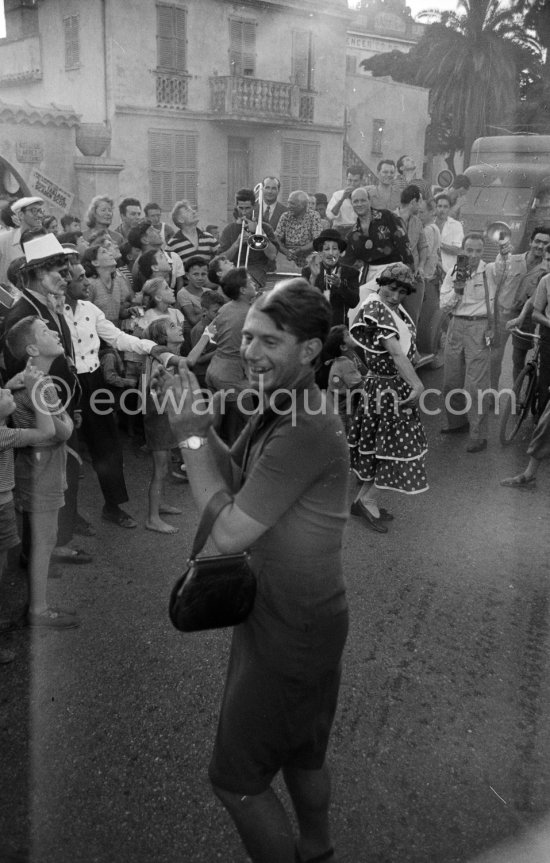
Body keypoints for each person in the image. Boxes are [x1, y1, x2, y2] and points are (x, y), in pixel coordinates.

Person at [152, 278, 349, 863]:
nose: (251, 354)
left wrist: (188, 436)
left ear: (310, 350)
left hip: (287, 623)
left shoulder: (304, 424)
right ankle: (317, 850)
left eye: (269, 341)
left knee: (236, 780)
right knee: (301, 753)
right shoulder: (282, 404)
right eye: (247, 339)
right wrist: (200, 424)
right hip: (302, 614)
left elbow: (231, 531)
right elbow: (237, 482)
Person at [62, 261, 182, 529]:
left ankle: (113, 507)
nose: (87, 283)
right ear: (64, 282)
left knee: (108, 447)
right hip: (68, 383)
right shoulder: (54, 312)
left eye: (86, 277)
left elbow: (117, 337)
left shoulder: (91, 309)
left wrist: (152, 348)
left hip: (93, 381)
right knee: (68, 454)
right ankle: (69, 515)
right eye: (81, 278)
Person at [6, 317, 76, 628]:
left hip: (41, 467)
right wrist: (65, 424)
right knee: (44, 542)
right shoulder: (36, 383)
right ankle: (38, 610)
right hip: (39, 469)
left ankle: (37, 604)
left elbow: (62, 426)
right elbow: (61, 431)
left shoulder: (39, 379)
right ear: (33, 347)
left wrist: (64, 424)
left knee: (41, 541)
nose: (55, 333)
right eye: (46, 331)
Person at [347, 263, 428, 533]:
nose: (395, 295)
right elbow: (394, 352)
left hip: (389, 386)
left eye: (402, 291)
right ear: (380, 283)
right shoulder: (375, 307)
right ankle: (367, 500)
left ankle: (361, 500)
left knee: (383, 447)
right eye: (391, 288)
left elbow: (404, 348)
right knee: (394, 449)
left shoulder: (392, 308)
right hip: (386, 390)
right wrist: (417, 385)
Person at [0, 364, 59, 657]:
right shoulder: (4, 434)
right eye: (1, 393)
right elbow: (50, 431)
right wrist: (36, 391)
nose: (6, 390)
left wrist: (11, 384)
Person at [439, 233, 497, 452]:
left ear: (483, 252)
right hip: (456, 325)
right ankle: (456, 423)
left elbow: (505, 268)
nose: (473, 255)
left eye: (478, 251)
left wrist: (504, 250)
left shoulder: (490, 270)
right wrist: (457, 289)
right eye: (469, 250)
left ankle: (478, 434)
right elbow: (444, 306)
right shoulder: (453, 271)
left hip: (479, 327)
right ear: (463, 251)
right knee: (451, 380)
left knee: (475, 385)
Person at [141, 318, 185, 534]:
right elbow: (191, 361)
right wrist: (207, 337)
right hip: (158, 418)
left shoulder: (164, 357)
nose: (179, 327)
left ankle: (159, 505)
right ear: (163, 338)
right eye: (173, 327)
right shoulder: (163, 359)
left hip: (164, 416)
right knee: (159, 470)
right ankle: (152, 518)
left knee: (165, 466)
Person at [205, 267, 256, 444]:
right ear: (242, 290)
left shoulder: (226, 308)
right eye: (249, 281)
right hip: (232, 375)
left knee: (218, 425)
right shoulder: (250, 314)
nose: (253, 283)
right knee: (254, 423)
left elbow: (213, 335)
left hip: (214, 369)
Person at [341, 186, 413, 310]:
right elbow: (346, 262)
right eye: (356, 201)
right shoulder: (352, 234)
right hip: (369, 273)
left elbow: (403, 243)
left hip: (393, 269)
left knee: (362, 295)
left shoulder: (387, 216)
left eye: (363, 200)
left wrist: (410, 268)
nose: (359, 204)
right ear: (352, 204)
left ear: (369, 201)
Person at [502, 227, 550, 384]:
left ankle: (516, 399)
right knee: (494, 355)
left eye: (545, 243)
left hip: (526, 316)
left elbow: (534, 299)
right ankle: (490, 395)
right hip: (503, 313)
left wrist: (521, 317)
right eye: (537, 241)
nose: (540, 246)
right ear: (530, 242)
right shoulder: (512, 260)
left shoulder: (546, 270)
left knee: (518, 359)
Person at [218, 188, 278, 289]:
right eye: (241, 208)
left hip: (256, 271)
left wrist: (260, 232)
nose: (244, 212)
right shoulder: (229, 229)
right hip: (233, 270)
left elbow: (272, 255)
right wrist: (237, 243)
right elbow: (221, 259)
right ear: (236, 207)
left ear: (254, 206)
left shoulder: (265, 227)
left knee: (243, 285)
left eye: (247, 208)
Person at [301, 229, 359, 325]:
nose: (330, 253)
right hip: (314, 327)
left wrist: (340, 285)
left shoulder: (351, 273)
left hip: (339, 328)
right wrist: (313, 279)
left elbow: (354, 302)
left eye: (335, 249)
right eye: (326, 249)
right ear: (320, 252)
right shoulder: (308, 271)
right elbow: (303, 303)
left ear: (340, 252)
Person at [396, 185, 428, 325]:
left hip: (413, 278)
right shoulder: (389, 219)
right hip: (393, 279)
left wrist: (421, 266)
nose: (421, 206)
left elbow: (423, 247)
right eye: (420, 202)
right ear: (413, 202)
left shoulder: (417, 222)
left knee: (411, 320)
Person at [0, 196, 44, 284]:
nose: (40, 215)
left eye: (41, 211)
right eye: (34, 211)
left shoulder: (45, 241)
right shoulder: (3, 240)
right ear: (20, 215)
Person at [275, 190, 323, 270]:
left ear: (303, 205)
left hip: (309, 255)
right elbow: (276, 237)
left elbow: (317, 240)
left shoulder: (314, 216)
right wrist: (286, 252)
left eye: (292, 204)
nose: (288, 206)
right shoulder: (285, 216)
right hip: (288, 256)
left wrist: (300, 250)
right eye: (288, 202)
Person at [166, 200, 218, 267]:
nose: (194, 212)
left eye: (192, 210)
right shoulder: (172, 244)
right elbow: (168, 269)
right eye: (188, 211)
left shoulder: (208, 237)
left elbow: (221, 255)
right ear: (180, 220)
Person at [325, 167, 365, 236]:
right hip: (339, 231)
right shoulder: (337, 195)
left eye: (355, 181)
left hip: (358, 231)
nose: (352, 184)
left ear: (361, 181)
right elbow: (330, 216)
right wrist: (342, 198)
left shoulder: (365, 195)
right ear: (346, 180)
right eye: (349, 180)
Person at [434, 193, 464, 279]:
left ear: (449, 208)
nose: (442, 210)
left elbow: (457, 250)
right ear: (435, 208)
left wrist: (438, 244)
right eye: (439, 206)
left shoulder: (456, 225)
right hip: (430, 270)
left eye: (445, 207)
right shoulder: (429, 224)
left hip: (448, 271)